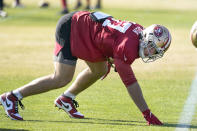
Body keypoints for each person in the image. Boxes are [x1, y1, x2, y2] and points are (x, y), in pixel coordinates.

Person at [0, 11, 171, 125]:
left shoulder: (138, 34)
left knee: (100, 69)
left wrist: (112, 57)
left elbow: (111, 38)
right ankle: (12, 97)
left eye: (155, 51)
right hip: (73, 27)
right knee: (61, 77)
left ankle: (66, 99)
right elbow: (130, 83)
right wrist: (146, 113)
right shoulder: (129, 46)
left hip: (88, 33)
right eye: (151, 47)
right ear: (145, 38)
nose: (150, 53)